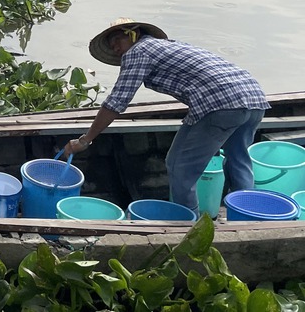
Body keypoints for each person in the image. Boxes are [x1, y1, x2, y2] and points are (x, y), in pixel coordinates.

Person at [63, 18, 270, 211]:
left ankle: (189, 229)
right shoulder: (169, 45)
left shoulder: (139, 51)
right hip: (253, 97)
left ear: (134, 34)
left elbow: (116, 102)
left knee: (179, 166)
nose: (115, 48)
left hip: (220, 103)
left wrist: (86, 139)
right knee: (238, 159)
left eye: (117, 39)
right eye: (111, 45)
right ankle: (248, 214)